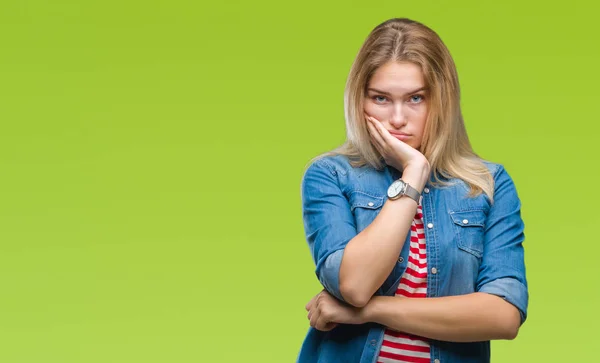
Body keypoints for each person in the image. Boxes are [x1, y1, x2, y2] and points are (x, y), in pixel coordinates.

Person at [297, 18, 528, 363]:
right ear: (359, 101)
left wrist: (369, 311)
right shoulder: (330, 175)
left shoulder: (487, 185)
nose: (398, 118)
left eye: (416, 98)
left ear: (442, 101)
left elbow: (504, 315)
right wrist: (414, 174)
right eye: (380, 98)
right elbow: (356, 285)